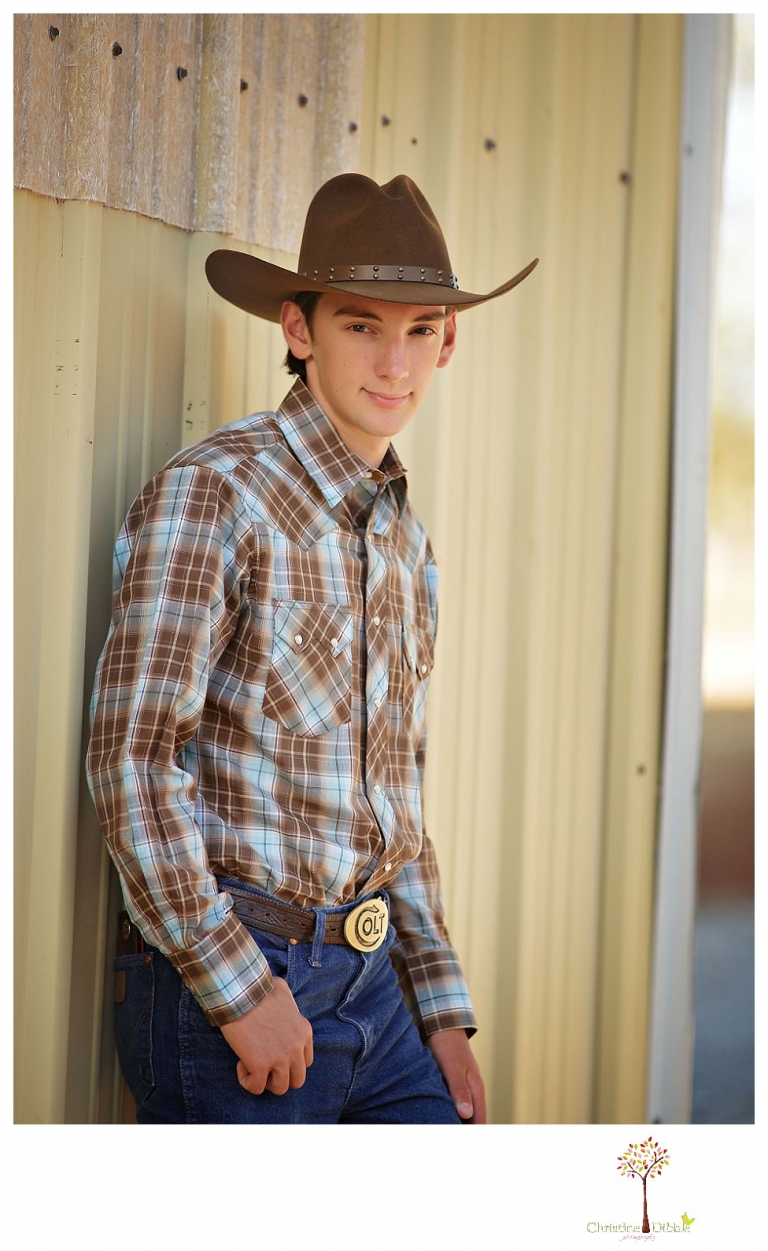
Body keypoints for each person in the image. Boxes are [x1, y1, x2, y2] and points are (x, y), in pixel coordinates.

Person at [86, 172, 538, 1124]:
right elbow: (131, 758)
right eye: (362, 324)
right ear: (300, 329)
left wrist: (440, 1006)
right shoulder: (216, 492)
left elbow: (394, 797)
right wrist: (239, 990)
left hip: (382, 994)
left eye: (420, 330)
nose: (394, 361)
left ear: (448, 341)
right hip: (245, 982)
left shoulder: (406, 544)